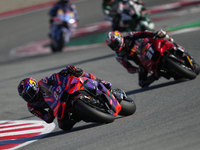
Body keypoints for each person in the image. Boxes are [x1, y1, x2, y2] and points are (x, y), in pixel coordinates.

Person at [17, 65, 123, 131]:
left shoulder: (43, 82)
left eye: (29, 93)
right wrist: (50, 112)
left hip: (63, 93)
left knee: (78, 73)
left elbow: (56, 76)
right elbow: (47, 119)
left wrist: (66, 71)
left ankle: (101, 82)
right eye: (26, 96)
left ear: (35, 86)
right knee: (64, 126)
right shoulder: (31, 107)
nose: (29, 97)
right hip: (58, 107)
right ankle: (86, 114)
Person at [106, 29, 175, 88]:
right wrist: (137, 70)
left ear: (119, 37)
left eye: (115, 43)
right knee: (142, 83)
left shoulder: (129, 35)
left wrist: (153, 34)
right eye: (112, 46)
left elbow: (143, 33)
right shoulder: (119, 55)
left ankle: (175, 45)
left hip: (148, 47)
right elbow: (128, 67)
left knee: (162, 34)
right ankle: (158, 74)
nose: (114, 47)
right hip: (143, 63)